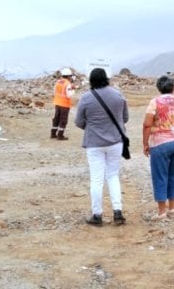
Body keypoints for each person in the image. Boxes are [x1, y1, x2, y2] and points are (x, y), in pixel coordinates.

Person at [74, 68, 128, 226]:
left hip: (94, 144)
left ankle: (97, 215)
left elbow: (78, 122)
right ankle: (118, 212)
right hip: (115, 142)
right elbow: (125, 117)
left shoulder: (86, 98)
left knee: (96, 179)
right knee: (113, 176)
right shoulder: (118, 95)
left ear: (91, 80)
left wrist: (92, 128)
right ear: (106, 79)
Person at [142, 75, 174, 220]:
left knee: (160, 176)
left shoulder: (154, 102)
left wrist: (145, 143)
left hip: (160, 143)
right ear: (173, 87)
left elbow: (147, 124)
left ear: (159, 88)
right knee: (173, 175)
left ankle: (161, 212)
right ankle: (172, 208)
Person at [51, 68, 77, 141]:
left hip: (57, 103)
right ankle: (60, 135)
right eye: (70, 76)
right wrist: (73, 89)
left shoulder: (58, 82)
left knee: (56, 118)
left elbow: (55, 91)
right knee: (63, 120)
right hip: (64, 104)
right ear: (69, 76)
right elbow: (69, 95)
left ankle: (53, 133)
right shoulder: (67, 84)